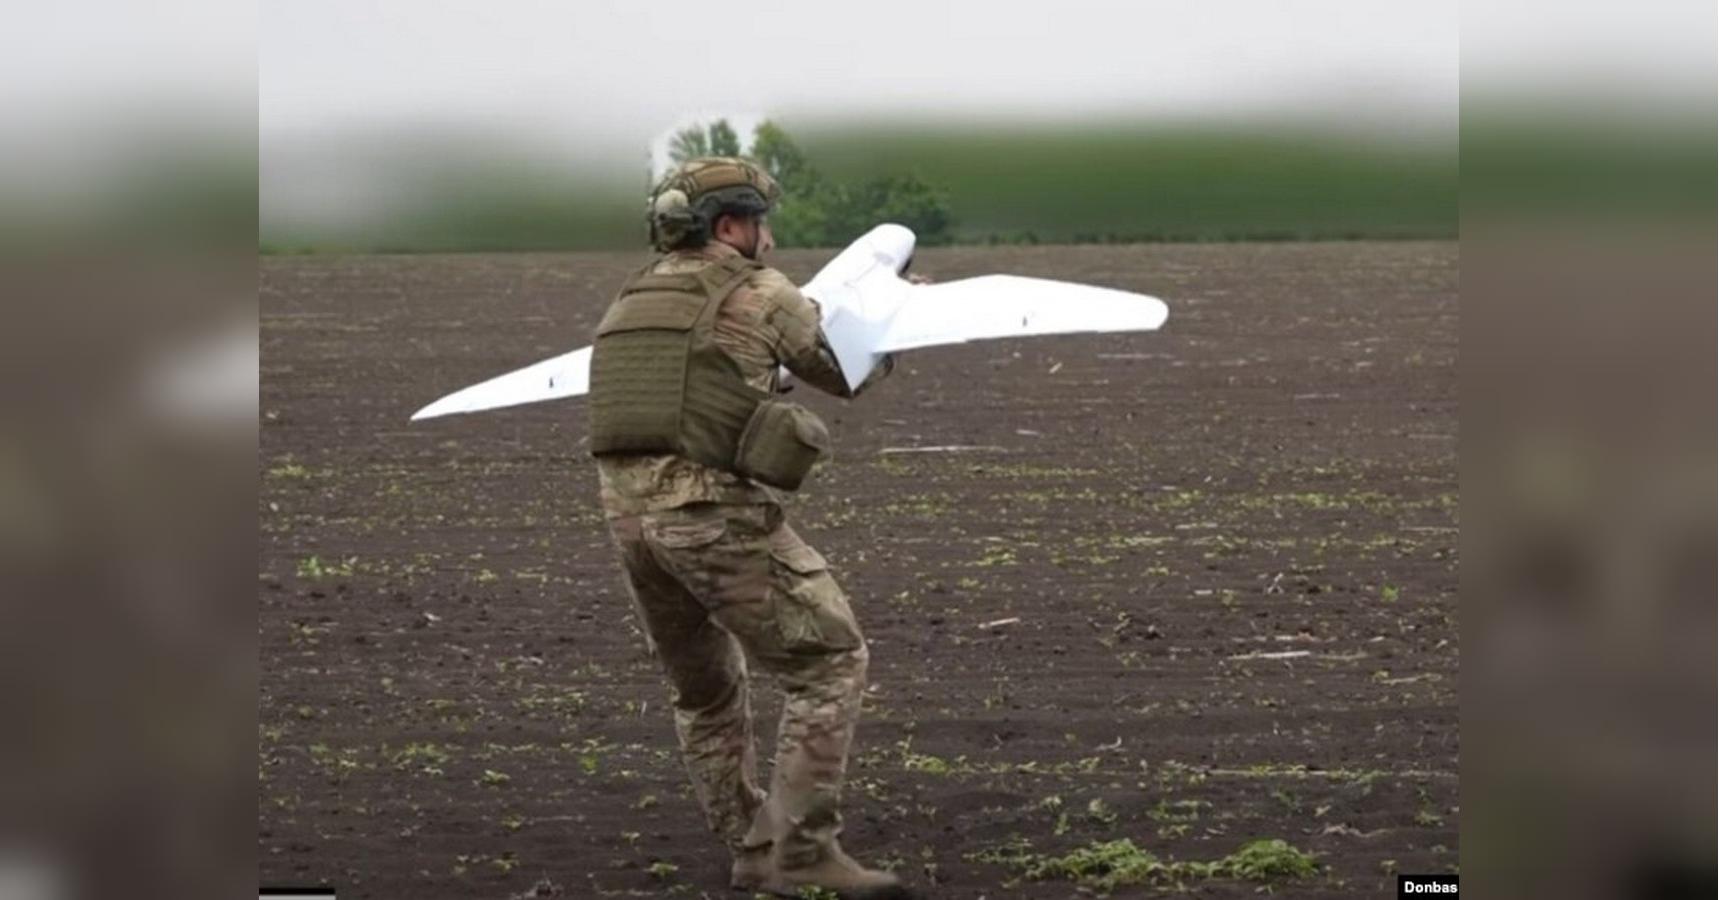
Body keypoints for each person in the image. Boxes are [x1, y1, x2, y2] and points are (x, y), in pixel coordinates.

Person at [587, 157, 907, 899]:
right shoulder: (760, 290)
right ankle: (800, 851)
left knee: (704, 693)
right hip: (709, 516)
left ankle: (750, 846)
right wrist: (893, 324)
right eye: (760, 222)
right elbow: (842, 371)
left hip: (630, 523)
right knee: (828, 664)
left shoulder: (631, 299)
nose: (769, 237)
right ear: (729, 226)